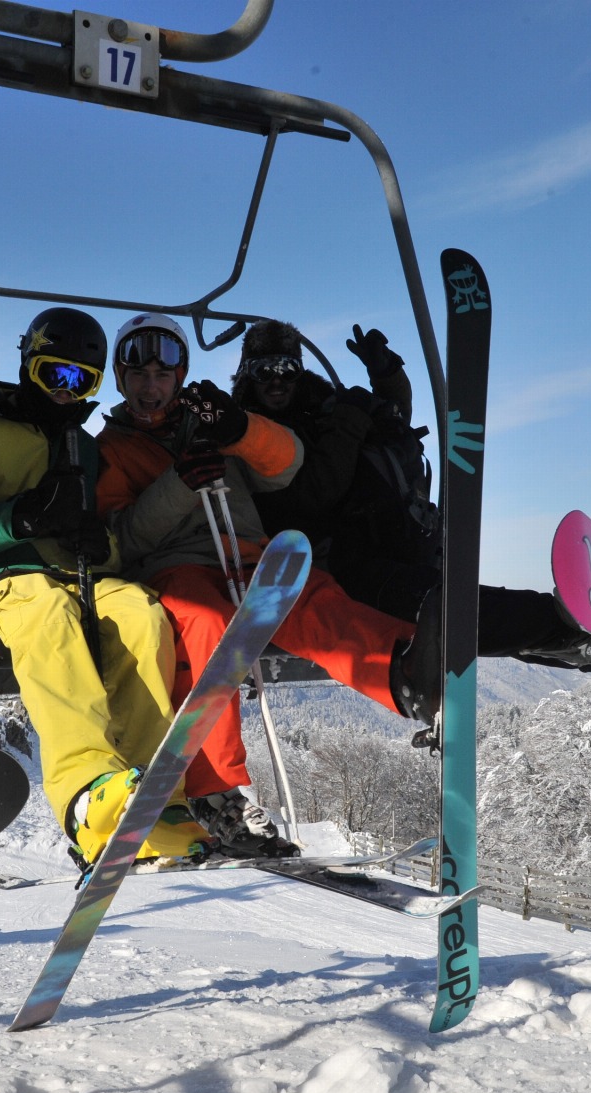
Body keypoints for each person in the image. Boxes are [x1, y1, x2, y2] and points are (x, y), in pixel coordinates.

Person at [96, 313, 438, 857]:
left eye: (164, 375)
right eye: (140, 376)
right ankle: (218, 792)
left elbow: (285, 466)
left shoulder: (206, 422)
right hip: (177, 568)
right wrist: (180, 483)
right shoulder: (110, 449)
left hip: (248, 556)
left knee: (310, 597)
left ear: (180, 376)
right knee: (206, 625)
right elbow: (121, 539)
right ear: (121, 378)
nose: (152, 387)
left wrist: (239, 427)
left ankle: (404, 669)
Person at [233, 319, 591, 692]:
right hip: (336, 571)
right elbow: (314, 495)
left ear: (298, 369)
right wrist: (350, 418)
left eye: (286, 367)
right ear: (247, 372)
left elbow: (391, 419)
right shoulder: (245, 433)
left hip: (382, 543)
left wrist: (385, 376)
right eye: (263, 369)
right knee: (456, 615)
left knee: (466, 616)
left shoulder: (321, 405)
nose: (276, 380)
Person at [0, 308, 208, 866]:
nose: (65, 390)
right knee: (50, 616)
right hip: (0, 577)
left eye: (81, 380)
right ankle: (87, 795)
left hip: (77, 576)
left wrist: (103, 544)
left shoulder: (83, 445)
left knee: (141, 614)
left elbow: (110, 537)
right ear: (29, 364)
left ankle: (155, 799)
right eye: (53, 373)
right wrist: (21, 520)